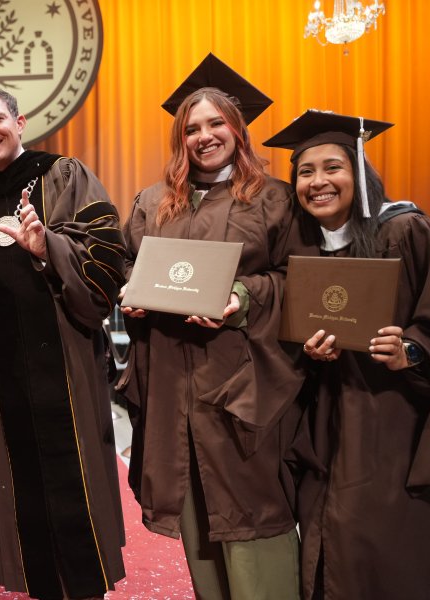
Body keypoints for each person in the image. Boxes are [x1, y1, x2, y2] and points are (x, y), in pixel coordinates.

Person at [0, 87, 126, 599]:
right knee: (23, 486)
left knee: (76, 476)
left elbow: (107, 257)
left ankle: (87, 590)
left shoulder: (64, 175)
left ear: (20, 122)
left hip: (67, 359)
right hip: (1, 365)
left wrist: (47, 246)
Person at [116, 54, 307, 599]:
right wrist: (130, 291)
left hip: (242, 383)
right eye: (191, 128)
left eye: (216, 123)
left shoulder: (274, 198)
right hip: (170, 384)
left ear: (238, 128)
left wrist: (242, 296)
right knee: (195, 508)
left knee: (251, 511)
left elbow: (297, 277)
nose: (204, 137)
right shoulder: (154, 202)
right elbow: (129, 263)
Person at [264, 110, 430, 599]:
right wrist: (309, 352)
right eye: (305, 172)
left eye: (332, 167)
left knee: (385, 550)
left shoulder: (403, 231)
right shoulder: (304, 251)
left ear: (359, 172)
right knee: (327, 546)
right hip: (326, 425)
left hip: (393, 424)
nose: (318, 182)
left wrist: (411, 350)